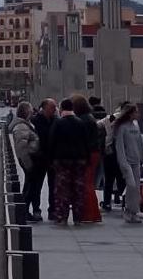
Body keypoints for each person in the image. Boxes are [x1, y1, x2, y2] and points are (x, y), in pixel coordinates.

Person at [48, 98, 91, 225]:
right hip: (79, 161)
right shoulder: (80, 123)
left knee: (62, 190)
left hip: (62, 161)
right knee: (78, 189)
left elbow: (52, 142)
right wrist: (87, 159)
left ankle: (62, 216)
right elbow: (86, 143)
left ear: (61, 108)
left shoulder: (58, 123)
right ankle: (78, 217)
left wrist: (51, 160)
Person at [71, 94, 103, 223]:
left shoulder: (83, 120)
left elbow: (83, 140)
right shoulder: (89, 118)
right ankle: (93, 213)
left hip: (88, 154)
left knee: (86, 184)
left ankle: (89, 214)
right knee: (88, 184)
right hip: (93, 153)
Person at [10, 102, 43, 220]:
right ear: (26, 112)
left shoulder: (25, 125)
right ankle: (22, 213)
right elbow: (22, 149)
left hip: (31, 161)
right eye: (30, 111)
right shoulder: (21, 127)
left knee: (30, 187)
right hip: (29, 161)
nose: (32, 113)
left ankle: (24, 212)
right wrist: (29, 165)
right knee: (29, 188)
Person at [114, 102, 143, 224]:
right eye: (136, 112)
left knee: (136, 188)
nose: (138, 114)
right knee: (131, 185)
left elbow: (140, 145)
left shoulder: (136, 127)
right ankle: (128, 209)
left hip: (136, 161)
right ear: (130, 113)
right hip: (127, 162)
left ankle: (134, 211)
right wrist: (123, 163)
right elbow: (120, 147)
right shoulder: (122, 128)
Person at [30, 98, 57, 219]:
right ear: (44, 108)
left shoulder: (56, 120)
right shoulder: (35, 121)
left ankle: (52, 210)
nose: (55, 109)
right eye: (52, 107)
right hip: (39, 158)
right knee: (37, 186)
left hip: (52, 158)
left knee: (53, 185)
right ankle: (36, 209)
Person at [101, 101, 129, 211]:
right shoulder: (127, 120)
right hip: (122, 152)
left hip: (109, 151)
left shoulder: (110, 118)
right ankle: (124, 203)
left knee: (108, 179)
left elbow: (98, 125)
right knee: (121, 178)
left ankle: (107, 203)